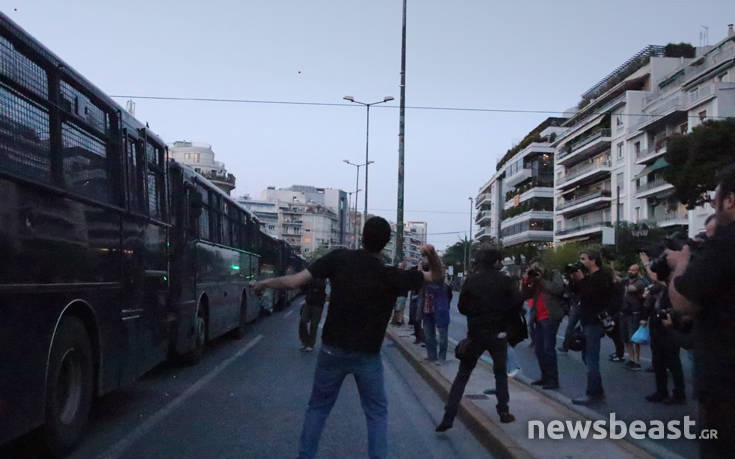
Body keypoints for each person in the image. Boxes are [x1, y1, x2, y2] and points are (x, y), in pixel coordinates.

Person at [253, 217, 442, 459]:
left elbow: (293, 282)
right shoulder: (391, 275)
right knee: (376, 413)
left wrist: (265, 283)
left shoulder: (338, 258)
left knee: (318, 408)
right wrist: (431, 254)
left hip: (332, 350)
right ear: (385, 244)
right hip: (368, 356)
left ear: (362, 236)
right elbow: (436, 276)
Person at [666, 165, 735, 457]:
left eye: (715, 196)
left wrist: (681, 263)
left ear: (730, 200)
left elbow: (684, 300)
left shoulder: (727, 243)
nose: (711, 202)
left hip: (725, 384)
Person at [436, 244, 522, 431]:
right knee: (500, 373)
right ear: (496, 261)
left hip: (476, 333)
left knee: (463, 375)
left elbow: (462, 307)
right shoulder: (505, 281)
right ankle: (503, 411)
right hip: (498, 333)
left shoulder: (471, 280)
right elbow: (516, 303)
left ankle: (449, 416)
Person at [569, 250, 614, 406]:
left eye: (583, 259)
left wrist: (581, 280)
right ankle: (597, 390)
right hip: (587, 320)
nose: (580, 261)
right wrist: (573, 279)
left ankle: (593, 394)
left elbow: (593, 296)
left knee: (591, 357)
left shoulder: (601, 277)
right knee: (586, 356)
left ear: (593, 261)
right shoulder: (589, 277)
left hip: (594, 321)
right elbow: (577, 294)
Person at [643, 272, 685, 404]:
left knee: (673, 363)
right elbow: (647, 307)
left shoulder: (672, 289)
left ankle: (679, 394)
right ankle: (661, 391)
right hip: (656, 330)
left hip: (669, 330)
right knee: (658, 362)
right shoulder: (655, 291)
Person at [522, 261, 565, 390]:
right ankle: (545, 376)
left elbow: (558, 289)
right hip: (537, 317)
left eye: (537, 267)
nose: (536, 270)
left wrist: (542, 280)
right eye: (533, 268)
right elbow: (525, 295)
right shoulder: (535, 280)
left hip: (550, 316)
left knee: (548, 348)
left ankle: (553, 380)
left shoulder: (553, 274)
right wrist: (526, 281)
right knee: (539, 349)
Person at [420, 247, 453, 365]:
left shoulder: (438, 278)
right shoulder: (424, 279)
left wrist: (431, 253)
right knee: (429, 335)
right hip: (427, 310)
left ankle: (442, 358)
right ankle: (432, 356)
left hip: (439, 309)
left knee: (442, 336)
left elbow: (436, 265)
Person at [620, 264, 646, 370]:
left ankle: (637, 361)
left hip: (634, 313)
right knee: (626, 338)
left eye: (633, 270)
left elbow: (632, 289)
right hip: (624, 313)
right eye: (630, 270)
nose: (630, 272)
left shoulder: (640, 282)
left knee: (634, 338)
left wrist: (623, 283)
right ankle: (631, 359)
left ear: (638, 271)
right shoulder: (626, 280)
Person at [299, 278, 327, 351]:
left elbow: (321, 287)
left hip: (318, 304)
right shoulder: (310, 277)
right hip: (309, 302)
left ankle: (310, 344)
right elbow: (304, 288)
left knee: (314, 325)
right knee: (303, 321)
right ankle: (305, 342)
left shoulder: (322, 278)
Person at [391, 259, 410, 326]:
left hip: (399, 293)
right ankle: (398, 321)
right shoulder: (406, 274)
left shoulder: (398, 273)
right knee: (400, 308)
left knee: (398, 309)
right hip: (403, 294)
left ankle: (398, 321)